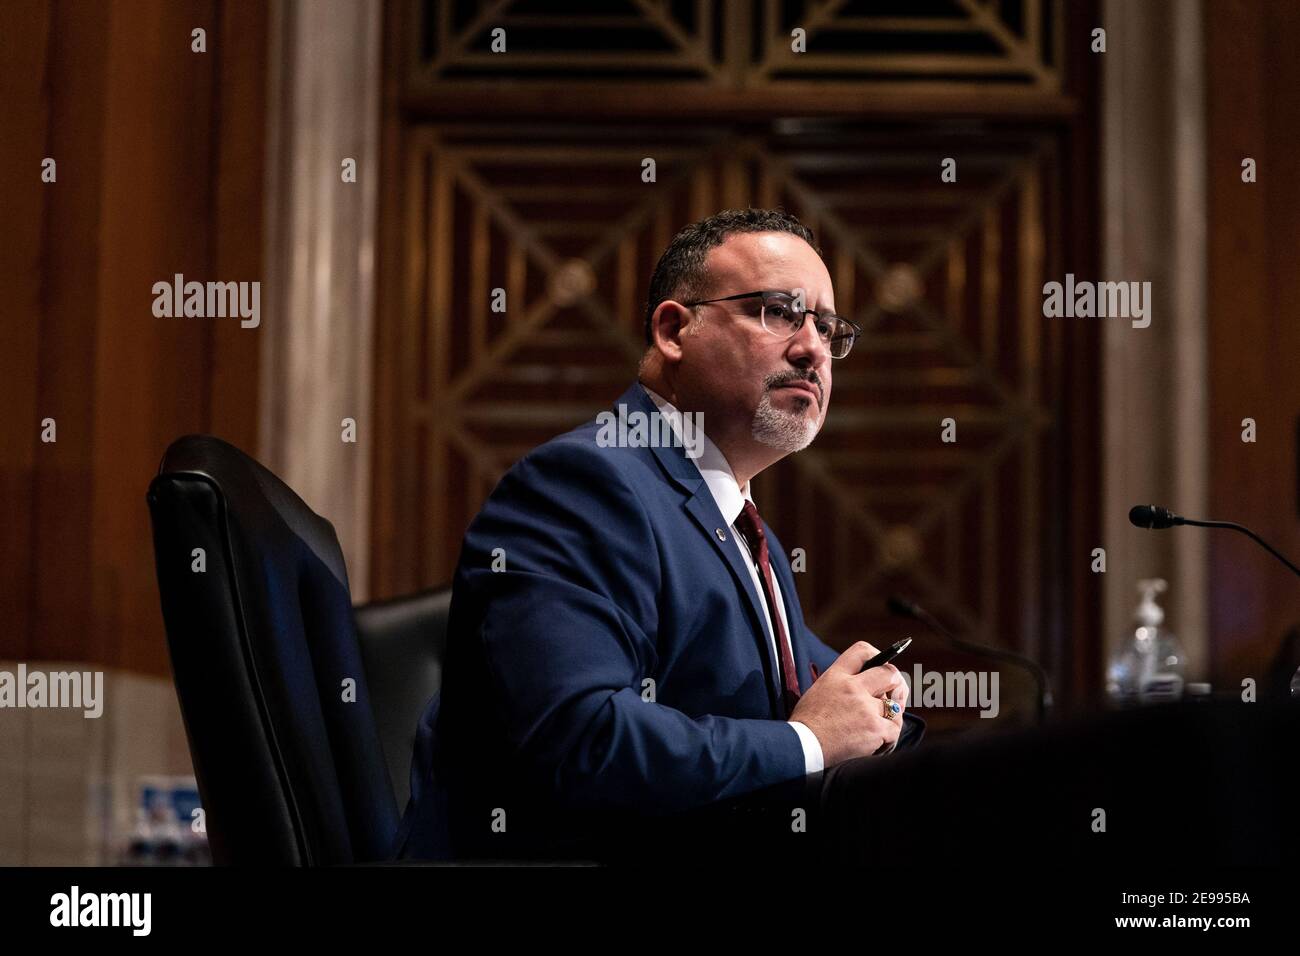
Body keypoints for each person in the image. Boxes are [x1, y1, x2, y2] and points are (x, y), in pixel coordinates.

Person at [393, 208, 924, 862]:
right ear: (674, 329)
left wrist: (883, 707)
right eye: (781, 312)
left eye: (828, 327)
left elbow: (826, 694)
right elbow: (580, 739)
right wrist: (809, 742)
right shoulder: (584, 485)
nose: (813, 347)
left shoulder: (744, 530)